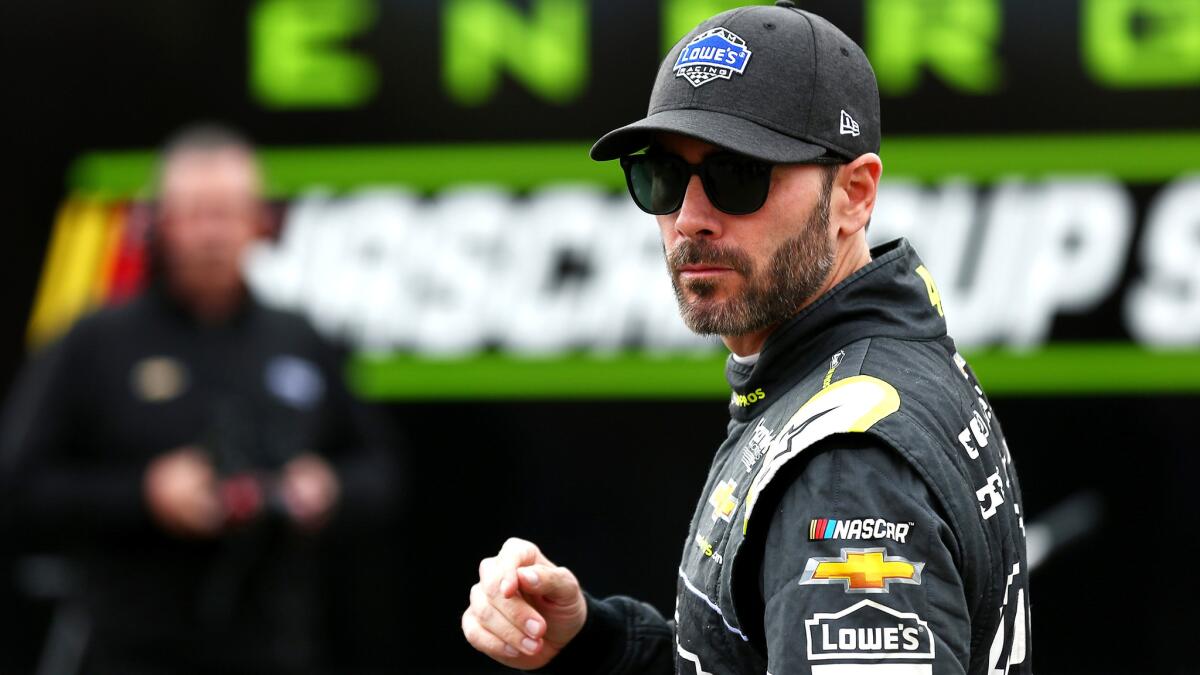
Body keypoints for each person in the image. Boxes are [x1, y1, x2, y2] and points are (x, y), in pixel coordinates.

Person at [462, 3, 1030, 674]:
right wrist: (601, 642)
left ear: (854, 193)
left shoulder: (845, 464)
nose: (690, 218)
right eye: (663, 175)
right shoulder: (867, 363)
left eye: (739, 175)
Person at [0, 125, 400, 674]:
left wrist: (324, 489)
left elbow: (380, 473)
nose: (212, 233)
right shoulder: (94, 341)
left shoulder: (301, 338)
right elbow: (20, 486)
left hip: (275, 645)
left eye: (228, 212)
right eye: (195, 213)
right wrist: (145, 494)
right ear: (159, 223)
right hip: (127, 647)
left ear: (261, 222)